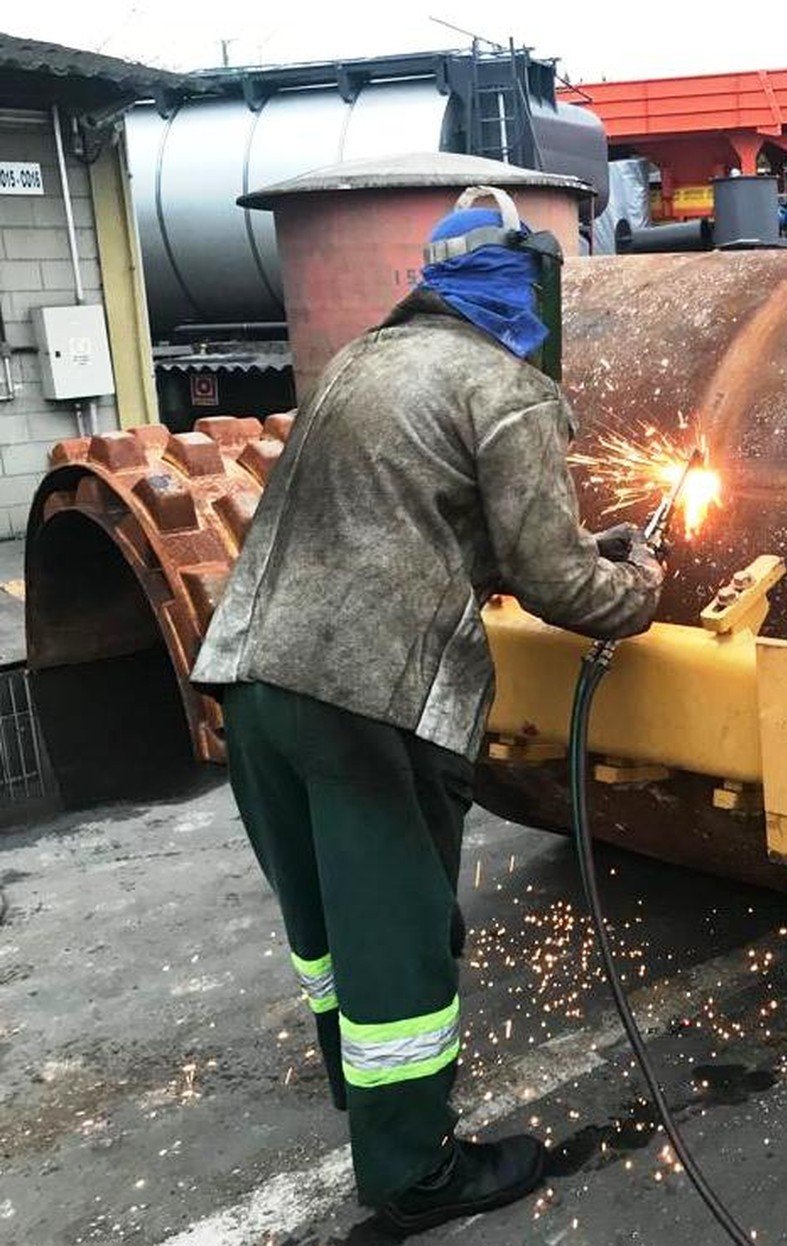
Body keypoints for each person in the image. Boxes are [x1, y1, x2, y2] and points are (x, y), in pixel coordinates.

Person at [190, 186, 664, 1235]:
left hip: (253, 675)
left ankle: (364, 1095)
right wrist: (635, 586)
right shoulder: (507, 387)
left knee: (328, 918)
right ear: (528, 293)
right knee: (398, 933)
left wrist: (579, 544)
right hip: (368, 699)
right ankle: (415, 1169)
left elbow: (407, 518)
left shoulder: (364, 359)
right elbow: (556, 583)